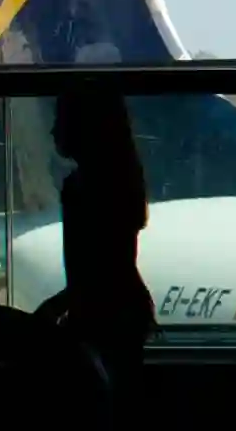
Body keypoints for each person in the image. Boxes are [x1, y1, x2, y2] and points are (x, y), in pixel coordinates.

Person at [44, 75, 155, 397]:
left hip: (100, 314)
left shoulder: (81, 188)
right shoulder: (120, 180)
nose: (53, 130)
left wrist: (57, 309)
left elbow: (94, 271)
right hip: (121, 311)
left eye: (60, 121)